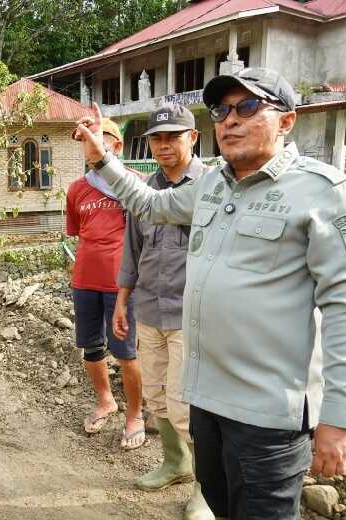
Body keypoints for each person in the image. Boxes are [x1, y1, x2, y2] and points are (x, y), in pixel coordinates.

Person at [75, 68, 346, 519]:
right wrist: (101, 159)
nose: (230, 120)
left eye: (247, 107)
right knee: (219, 503)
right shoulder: (212, 184)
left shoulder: (324, 192)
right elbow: (150, 204)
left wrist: (338, 417)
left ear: (286, 120)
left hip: (268, 416)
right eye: (221, 110)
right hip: (206, 400)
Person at [111, 105, 212, 517]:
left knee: (188, 405)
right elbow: (132, 250)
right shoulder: (145, 191)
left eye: (174, 136)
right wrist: (122, 300)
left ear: (193, 138)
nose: (164, 144)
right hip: (149, 308)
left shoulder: (211, 188)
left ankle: (207, 489)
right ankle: (175, 463)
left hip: (192, 315)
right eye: (157, 137)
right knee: (155, 395)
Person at [66, 118, 144, 450]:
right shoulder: (77, 189)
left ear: (118, 145)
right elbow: (77, 232)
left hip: (121, 284)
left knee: (126, 352)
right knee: (91, 347)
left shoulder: (134, 183)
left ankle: (135, 415)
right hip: (84, 280)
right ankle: (105, 400)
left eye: (99, 138)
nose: (91, 145)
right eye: (84, 140)